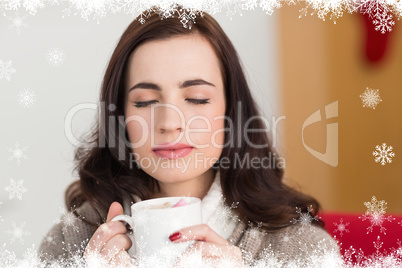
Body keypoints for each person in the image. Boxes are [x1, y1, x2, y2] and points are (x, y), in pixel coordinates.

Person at [39, 6, 341, 267]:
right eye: (145, 102)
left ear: (231, 113)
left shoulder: (303, 249)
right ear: (120, 119)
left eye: (196, 99)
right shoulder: (69, 242)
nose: (170, 123)